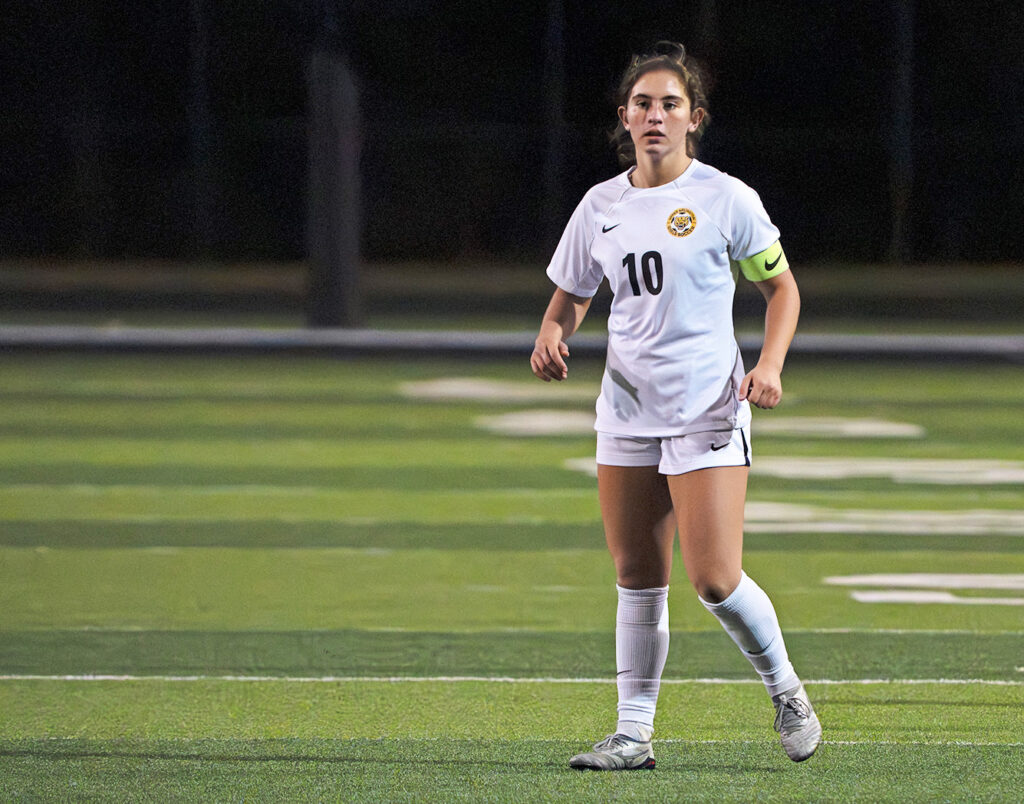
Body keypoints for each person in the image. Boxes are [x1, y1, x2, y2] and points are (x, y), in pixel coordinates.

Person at [530, 41, 820, 770]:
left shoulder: (725, 198)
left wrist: (770, 365)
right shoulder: (600, 205)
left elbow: (781, 290)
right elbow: (570, 298)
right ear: (624, 118)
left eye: (670, 104)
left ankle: (785, 688)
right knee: (636, 573)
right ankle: (632, 735)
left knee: (715, 578)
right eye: (642, 103)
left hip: (707, 409)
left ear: (695, 119)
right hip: (627, 412)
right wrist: (550, 335)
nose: (654, 115)